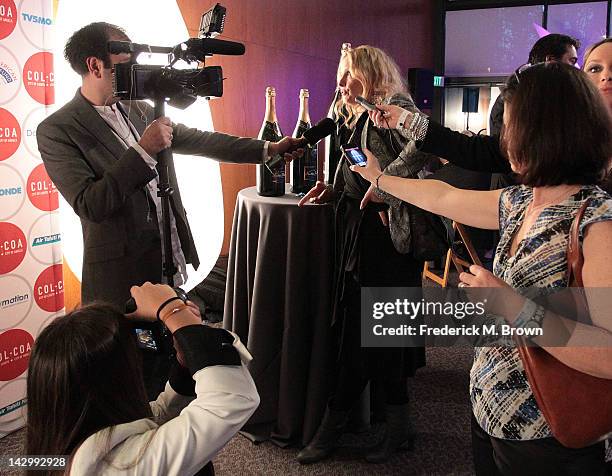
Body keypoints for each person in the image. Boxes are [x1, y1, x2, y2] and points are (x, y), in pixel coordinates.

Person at [352, 62, 612, 475]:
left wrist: (513, 307)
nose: (503, 141)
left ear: (549, 131)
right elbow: (444, 197)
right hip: (491, 408)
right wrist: (380, 179)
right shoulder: (524, 200)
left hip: (547, 431)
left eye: (510, 127)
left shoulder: (597, 221)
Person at [37, 22, 301, 308]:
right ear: (96, 66)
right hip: (120, 279)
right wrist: (144, 150)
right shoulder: (57, 129)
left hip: (167, 260)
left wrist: (268, 149)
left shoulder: (136, 107)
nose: (136, 71)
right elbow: (91, 203)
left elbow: (199, 141)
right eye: (127, 64)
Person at [295, 45, 441, 465]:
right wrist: (333, 188)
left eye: (350, 76)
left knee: (370, 337)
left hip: (389, 240)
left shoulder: (394, 104)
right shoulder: (353, 111)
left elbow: (425, 148)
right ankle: (399, 429)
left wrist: (384, 183)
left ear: (372, 74)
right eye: (341, 76)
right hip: (363, 236)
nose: (341, 84)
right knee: (378, 336)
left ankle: (333, 430)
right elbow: (354, 164)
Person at [26, 282, 260, 475]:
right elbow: (231, 398)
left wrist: (184, 362)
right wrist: (174, 313)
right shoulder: (125, 467)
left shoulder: (57, 447)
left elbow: (154, 417)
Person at [489, 33, 579, 136]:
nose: (575, 68)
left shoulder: (527, 91)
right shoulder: (518, 96)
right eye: (571, 61)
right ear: (550, 61)